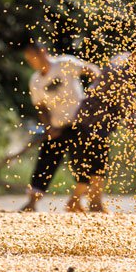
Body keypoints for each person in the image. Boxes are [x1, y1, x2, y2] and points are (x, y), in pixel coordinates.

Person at [66, 42, 136, 213]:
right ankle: (89, 202)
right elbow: (129, 114)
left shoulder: (122, 59)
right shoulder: (122, 74)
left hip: (95, 119)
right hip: (92, 119)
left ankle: (85, 201)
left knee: (96, 161)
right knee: (94, 162)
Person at [20, 42, 100, 212]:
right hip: (57, 126)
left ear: (43, 51)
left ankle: (76, 200)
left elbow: (90, 69)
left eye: (32, 56)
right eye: (28, 59)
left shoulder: (65, 63)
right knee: (45, 161)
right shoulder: (35, 81)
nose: (31, 61)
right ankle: (32, 202)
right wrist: (49, 126)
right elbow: (41, 107)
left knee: (83, 162)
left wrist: (96, 89)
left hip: (79, 123)